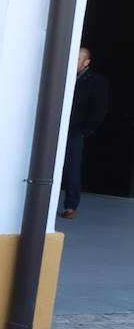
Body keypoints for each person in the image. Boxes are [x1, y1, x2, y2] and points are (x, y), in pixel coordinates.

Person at [60, 46, 109, 218]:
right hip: (54, 128)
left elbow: (99, 111)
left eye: (78, 59)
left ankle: (70, 207)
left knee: (72, 168)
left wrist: (83, 131)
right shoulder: (62, 76)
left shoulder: (96, 81)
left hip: (74, 131)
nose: (74, 61)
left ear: (86, 62)